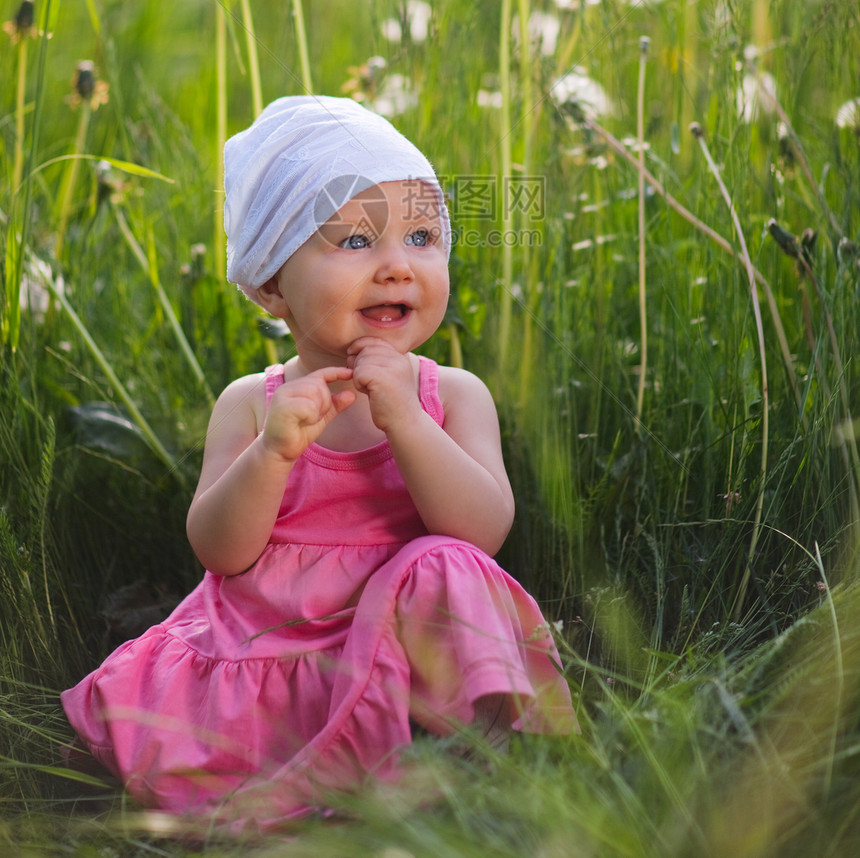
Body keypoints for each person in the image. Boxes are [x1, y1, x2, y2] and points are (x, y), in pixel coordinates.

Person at [61, 95, 576, 829]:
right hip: (282, 646)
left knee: (443, 564)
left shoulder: (452, 396)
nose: (398, 266)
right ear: (271, 283)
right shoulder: (252, 404)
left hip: (409, 643)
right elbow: (220, 552)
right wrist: (274, 451)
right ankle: (334, 782)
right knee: (226, 728)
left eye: (423, 236)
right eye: (356, 243)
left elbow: (483, 533)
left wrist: (404, 420)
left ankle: (465, 756)